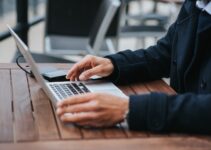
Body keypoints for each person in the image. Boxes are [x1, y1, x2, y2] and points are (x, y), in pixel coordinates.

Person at [56, 0, 211, 134]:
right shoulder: (195, 4)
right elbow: (165, 53)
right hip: (180, 130)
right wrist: (115, 64)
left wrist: (130, 108)